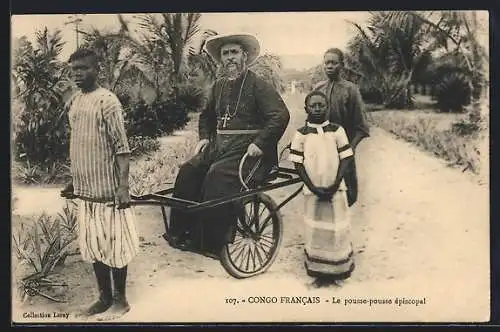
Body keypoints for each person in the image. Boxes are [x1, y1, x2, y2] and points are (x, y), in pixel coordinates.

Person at [166, 33, 290, 258]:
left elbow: (280, 116)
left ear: (244, 56)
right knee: (188, 171)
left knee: (217, 176)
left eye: (234, 52)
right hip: (220, 147)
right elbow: (206, 117)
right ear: (221, 59)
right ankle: (181, 232)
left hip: (250, 151)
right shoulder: (218, 86)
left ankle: (211, 243)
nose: (230, 58)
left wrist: (260, 143)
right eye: (226, 53)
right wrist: (204, 138)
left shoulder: (258, 86)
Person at [60, 48, 139, 321]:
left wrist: (123, 187)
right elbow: (80, 145)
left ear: (97, 70)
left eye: (83, 69)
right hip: (86, 193)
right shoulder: (75, 102)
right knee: (94, 247)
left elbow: (122, 148)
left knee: (114, 247)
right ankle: (104, 297)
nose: (77, 75)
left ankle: (121, 300)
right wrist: (74, 180)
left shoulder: (108, 102)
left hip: (108, 192)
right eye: (74, 70)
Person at [289, 90, 355, 279]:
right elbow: (298, 163)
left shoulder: (337, 130)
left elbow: (346, 158)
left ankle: (339, 266)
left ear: (327, 108)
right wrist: (311, 186)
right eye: (313, 106)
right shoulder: (301, 134)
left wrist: (335, 183)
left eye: (321, 105)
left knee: (337, 225)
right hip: (313, 189)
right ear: (306, 109)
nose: (317, 109)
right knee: (315, 227)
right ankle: (318, 268)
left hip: (335, 187)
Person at [313, 48, 370, 207]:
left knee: (347, 196)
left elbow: (361, 127)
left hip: (343, 151)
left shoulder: (350, 90)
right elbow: (311, 120)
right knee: (322, 192)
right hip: (322, 150)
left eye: (333, 63)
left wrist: (349, 150)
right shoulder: (318, 88)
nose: (329, 66)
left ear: (342, 66)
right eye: (326, 63)